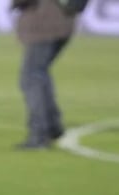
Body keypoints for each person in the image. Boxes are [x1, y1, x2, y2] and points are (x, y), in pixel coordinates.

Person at [14, 0, 79, 149]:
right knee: (39, 73)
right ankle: (52, 126)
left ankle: (39, 134)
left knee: (31, 77)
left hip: (43, 24)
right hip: (63, 21)